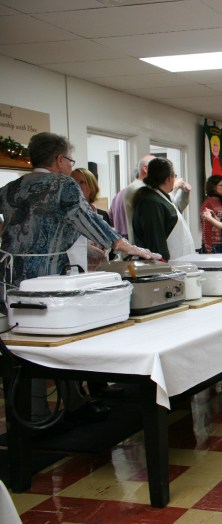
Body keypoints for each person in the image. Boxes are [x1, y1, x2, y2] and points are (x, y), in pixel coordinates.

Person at [0, 132, 160, 425]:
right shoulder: (63, 184)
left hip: (11, 282)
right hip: (48, 283)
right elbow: (91, 221)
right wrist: (130, 248)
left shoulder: (10, 188)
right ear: (60, 160)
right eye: (70, 160)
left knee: (24, 348)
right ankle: (65, 408)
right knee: (66, 341)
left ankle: (31, 414)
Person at [111, 154, 191, 243]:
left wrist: (183, 192)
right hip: (137, 246)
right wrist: (174, 187)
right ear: (146, 169)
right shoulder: (140, 191)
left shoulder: (122, 193)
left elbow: (174, 209)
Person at [132, 158, 196, 260]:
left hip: (179, 262)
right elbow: (156, 242)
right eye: (174, 176)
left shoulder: (160, 197)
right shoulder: (151, 202)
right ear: (168, 179)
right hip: (167, 265)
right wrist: (163, 266)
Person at [71, 168, 110, 271]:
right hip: (76, 270)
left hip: (100, 271)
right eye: (73, 182)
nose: (76, 185)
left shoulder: (102, 215)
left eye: (82, 182)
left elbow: (111, 243)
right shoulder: (67, 216)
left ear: (91, 187)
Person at [200, 175, 222, 252]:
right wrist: (208, 248)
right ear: (213, 187)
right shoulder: (208, 203)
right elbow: (206, 227)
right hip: (214, 246)